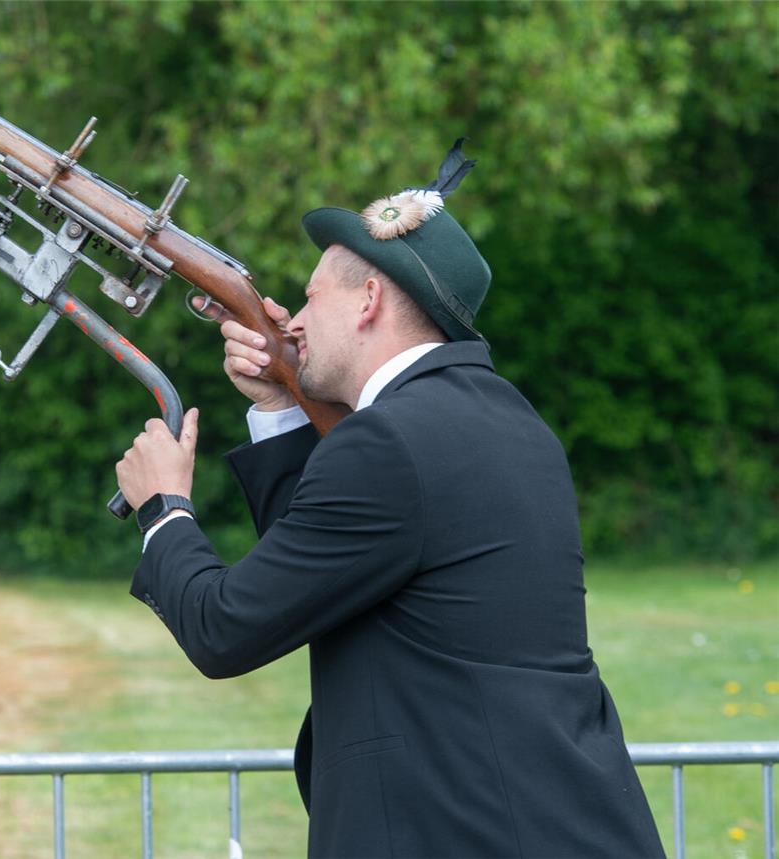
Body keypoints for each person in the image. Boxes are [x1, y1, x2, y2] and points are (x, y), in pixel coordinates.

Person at [115, 142, 665, 859]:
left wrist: (164, 509)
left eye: (312, 297)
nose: (296, 321)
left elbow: (227, 629)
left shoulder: (388, 444)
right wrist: (282, 406)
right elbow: (323, 573)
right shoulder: (513, 423)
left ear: (369, 299)